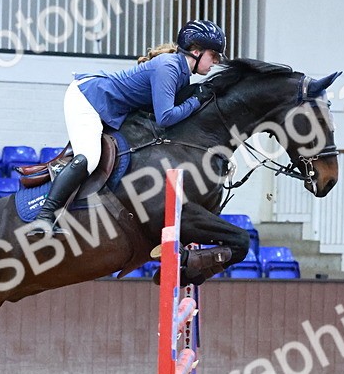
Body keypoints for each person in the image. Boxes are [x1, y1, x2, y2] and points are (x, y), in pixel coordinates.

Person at [26, 19, 227, 237]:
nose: (215, 62)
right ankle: (44, 217)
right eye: (213, 55)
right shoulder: (169, 68)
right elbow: (166, 117)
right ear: (195, 51)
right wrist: (196, 100)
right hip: (88, 98)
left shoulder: (181, 73)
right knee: (90, 158)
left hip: (108, 107)